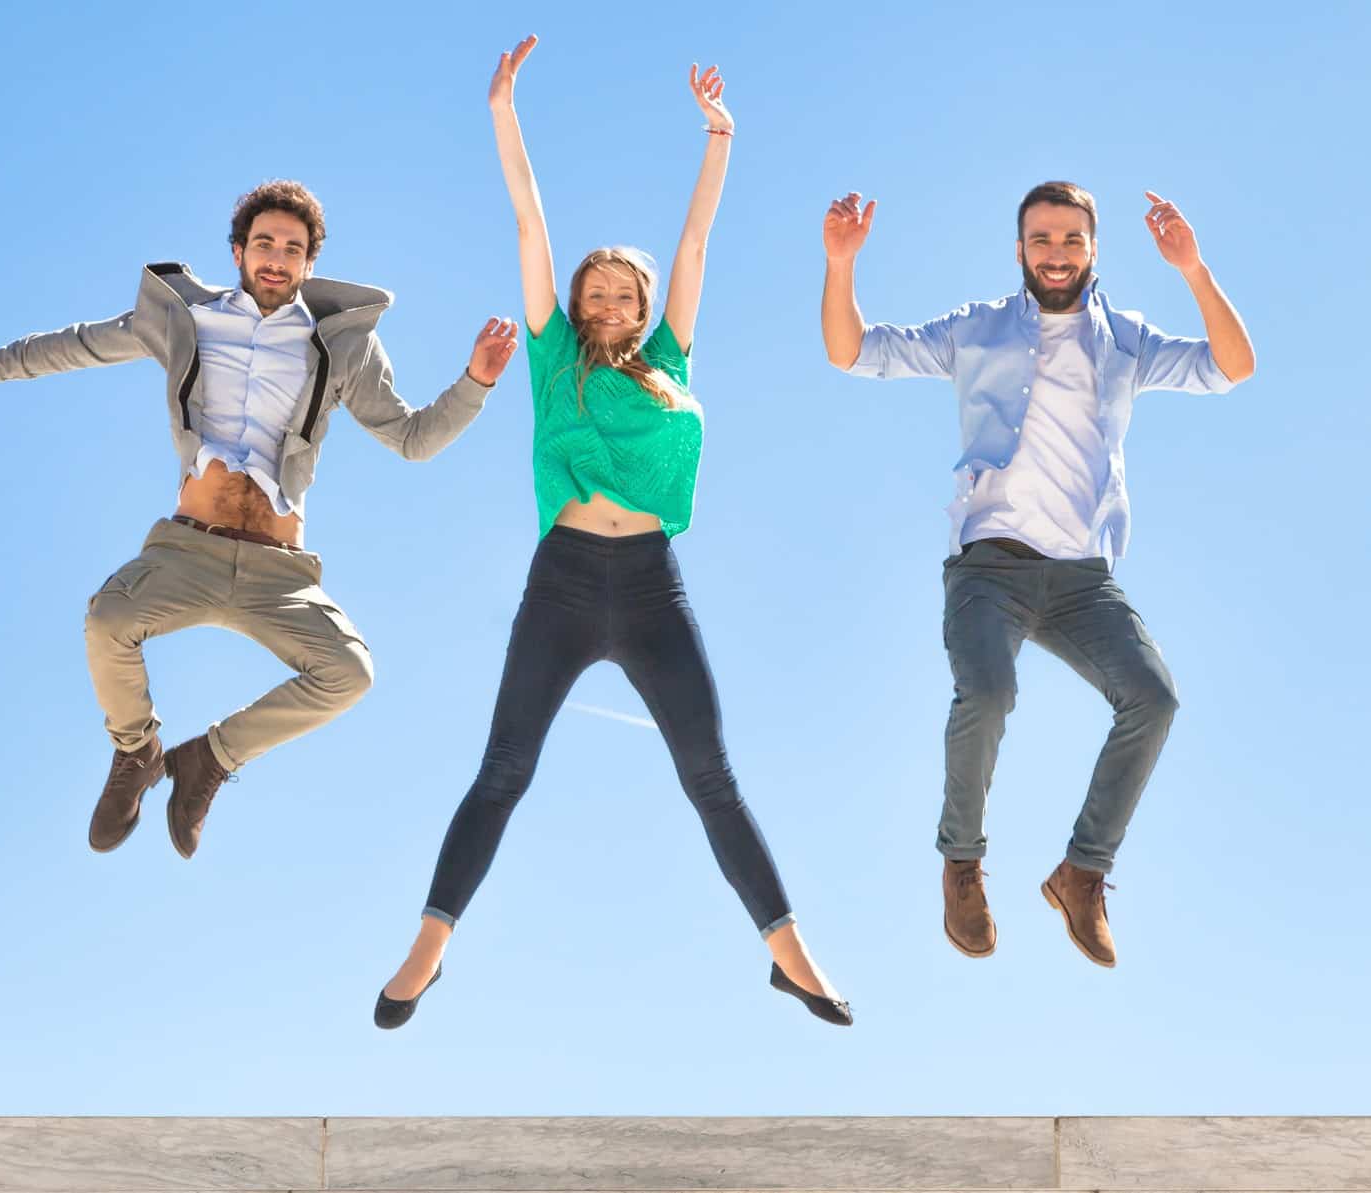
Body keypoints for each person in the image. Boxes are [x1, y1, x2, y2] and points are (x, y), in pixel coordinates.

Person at [372, 36, 850, 1029]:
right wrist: (504, 110)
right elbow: (528, 221)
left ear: (641, 308)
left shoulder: (671, 354)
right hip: (563, 580)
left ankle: (788, 949)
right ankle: (429, 944)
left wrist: (720, 135)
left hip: (650, 585)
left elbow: (696, 244)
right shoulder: (552, 358)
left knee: (709, 771)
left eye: (622, 294)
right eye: (595, 292)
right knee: (505, 766)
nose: (608, 302)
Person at [0, 180, 519, 859]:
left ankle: (209, 759)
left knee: (349, 672)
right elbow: (73, 345)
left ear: (309, 264)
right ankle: (137, 753)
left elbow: (411, 439)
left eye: (292, 249)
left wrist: (475, 382)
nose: (275, 258)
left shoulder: (342, 347)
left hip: (277, 572)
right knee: (108, 620)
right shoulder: (184, 320)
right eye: (263, 243)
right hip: (187, 553)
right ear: (238, 251)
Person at [820, 181, 1256, 967]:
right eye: (1041, 240)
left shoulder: (1126, 340)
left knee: (1153, 699)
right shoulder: (976, 329)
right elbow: (852, 351)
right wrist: (839, 264)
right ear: (1018, 249)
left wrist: (1191, 268)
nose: (1055, 255)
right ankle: (961, 863)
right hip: (990, 566)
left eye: (1071, 241)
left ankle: (1081, 875)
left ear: (1093, 250)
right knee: (988, 692)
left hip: (1083, 579)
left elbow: (1234, 367)